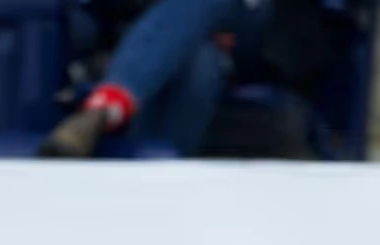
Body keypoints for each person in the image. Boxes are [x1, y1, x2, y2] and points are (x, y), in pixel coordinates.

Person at [41, 0, 273, 158]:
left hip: (247, 24)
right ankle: (157, 177)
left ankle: (112, 102)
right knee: (200, 60)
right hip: (153, 29)